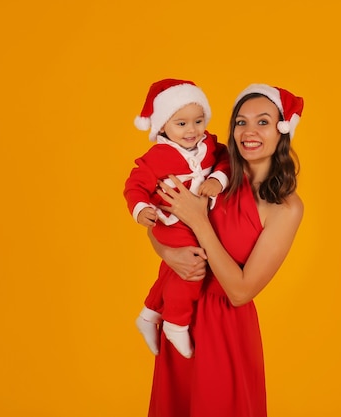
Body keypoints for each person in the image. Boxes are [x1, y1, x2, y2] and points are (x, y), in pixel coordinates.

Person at [145, 83, 305, 417]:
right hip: (181, 319)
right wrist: (167, 254)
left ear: (282, 130)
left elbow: (241, 291)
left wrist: (200, 222)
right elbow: (159, 220)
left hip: (225, 330)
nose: (249, 131)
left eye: (262, 121)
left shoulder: (285, 208)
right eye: (240, 122)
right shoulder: (207, 170)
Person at [123, 78, 229, 358]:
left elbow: (225, 159)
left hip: (193, 217)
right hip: (170, 220)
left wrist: (218, 179)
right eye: (181, 124)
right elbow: (135, 185)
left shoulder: (209, 144)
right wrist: (141, 209)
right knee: (193, 263)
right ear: (163, 126)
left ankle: (149, 314)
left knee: (173, 268)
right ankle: (176, 323)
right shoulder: (157, 157)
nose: (191, 130)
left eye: (198, 121)